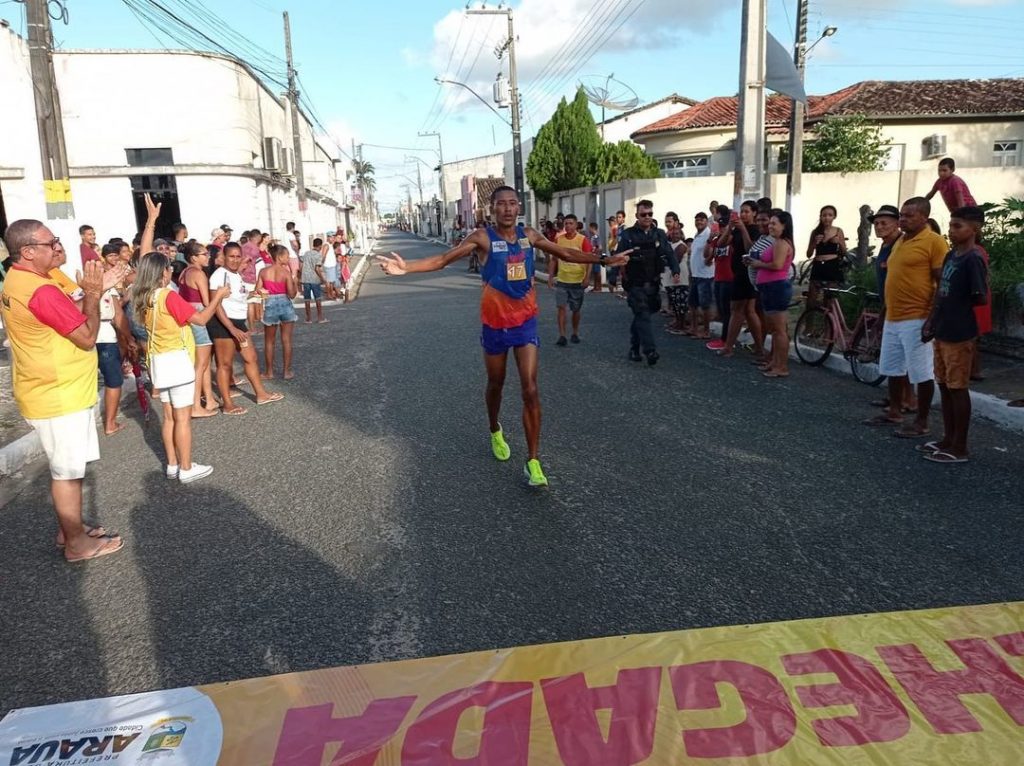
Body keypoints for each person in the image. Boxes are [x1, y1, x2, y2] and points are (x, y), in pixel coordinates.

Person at [376, 185, 627, 487]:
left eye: (513, 203)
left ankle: (533, 461)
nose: (508, 209)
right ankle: (495, 428)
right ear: (492, 208)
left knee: (530, 388)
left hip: (525, 323)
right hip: (495, 325)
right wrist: (407, 268)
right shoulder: (482, 238)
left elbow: (564, 252)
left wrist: (603, 260)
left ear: (518, 207)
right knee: (496, 383)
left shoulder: (529, 235)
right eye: (502, 204)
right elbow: (444, 259)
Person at [1, 219, 126, 562]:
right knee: (67, 474)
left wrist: (96, 288)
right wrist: (96, 293)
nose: (58, 246)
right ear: (28, 252)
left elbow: (69, 309)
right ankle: (75, 544)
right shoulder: (38, 289)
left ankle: (70, 530)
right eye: (50, 242)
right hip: (58, 394)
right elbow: (86, 337)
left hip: (53, 388)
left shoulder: (23, 277)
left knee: (70, 468)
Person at [133, 253, 231, 482]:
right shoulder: (167, 295)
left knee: (169, 417)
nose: (170, 272)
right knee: (183, 418)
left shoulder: (144, 298)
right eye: (168, 269)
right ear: (162, 272)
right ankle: (186, 468)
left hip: (158, 360)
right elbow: (200, 319)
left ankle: (172, 464)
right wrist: (218, 297)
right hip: (176, 359)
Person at [917, 206, 988, 464]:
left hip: (960, 332)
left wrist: (957, 307)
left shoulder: (973, 259)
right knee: (945, 386)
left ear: (975, 228)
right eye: (950, 225)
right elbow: (941, 291)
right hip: (943, 329)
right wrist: (932, 320)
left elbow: (980, 296)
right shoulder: (951, 255)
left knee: (958, 388)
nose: (951, 230)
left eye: (958, 226)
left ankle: (960, 446)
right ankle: (947, 438)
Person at [876, 197, 949, 438]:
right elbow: (893, 280)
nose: (903, 219)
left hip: (917, 316)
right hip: (893, 316)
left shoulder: (934, 242)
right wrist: (884, 314)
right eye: (902, 215)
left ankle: (921, 421)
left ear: (924, 217)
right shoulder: (900, 241)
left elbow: (941, 283)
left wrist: (932, 319)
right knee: (893, 367)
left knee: (921, 372)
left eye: (909, 215)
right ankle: (894, 411)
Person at [208, 243, 285, 414]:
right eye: (231, 256)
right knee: (225, 364)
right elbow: (216, 305)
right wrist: (231, 328)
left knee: (251, 358)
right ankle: (227, 404)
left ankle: (261, 394)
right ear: (224, 257)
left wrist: (254, 294)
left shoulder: (236, 274)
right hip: (223, 323)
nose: (235, 260)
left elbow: (238, 296)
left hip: (238, 322)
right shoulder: (219, 275)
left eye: (238, 256)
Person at [615, 199, 681, 366]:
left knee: (643, 314)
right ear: (637, 215)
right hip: (635, 284)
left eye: (650, 214)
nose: (647, 217)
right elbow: (618, 256)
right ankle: (650, 351)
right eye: (643, 214)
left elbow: (669, 253)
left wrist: (676, 270)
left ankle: (634, 348)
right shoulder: (628, 235)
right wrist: (612, 277)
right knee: (642, 313)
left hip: (653, 282)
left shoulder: (658, 234)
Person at [865, 205, 916, 418]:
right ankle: (896, 397)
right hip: (888, 304)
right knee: (894, 357)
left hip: (901, 308)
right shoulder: (885, 245)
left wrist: (885, 311)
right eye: (876, 223)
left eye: (884, 222)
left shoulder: (900, 244)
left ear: (897, 224)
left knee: (903, 357)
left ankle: (909, 399)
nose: (879, 226)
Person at [746, 210, 794, 378]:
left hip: (776, 288)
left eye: (774, 223)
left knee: (779, 330)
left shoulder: (782, 243)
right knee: (774, 330)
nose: (770, 226)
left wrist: (758, 264)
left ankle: (782, 366)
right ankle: (775, 362)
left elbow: (777, 265)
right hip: (769, 287)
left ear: (784, 226)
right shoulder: (777, 242)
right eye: (770, 223)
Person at [178, 241, 222, 418]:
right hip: (198, 316)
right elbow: (206, 301)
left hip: (188, 315)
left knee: (203, 363)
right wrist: (220, 295)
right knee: (201, 364)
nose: (208, 257)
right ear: (194, 257)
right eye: (204, 254)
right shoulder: (198, 273)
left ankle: (209, 399)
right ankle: (195, 405)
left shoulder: (185, 272)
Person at [718, 201, 765, 360]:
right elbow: (721, 243)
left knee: (736, 310)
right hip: (738, 272)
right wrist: (730, 228)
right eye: (741, 212)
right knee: (749, 311)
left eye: (746, 212)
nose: (743, 214)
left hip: (746, 273)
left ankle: (728, 346)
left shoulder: (755, 230)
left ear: (754, 213)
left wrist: (744, 230)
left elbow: (750, 249)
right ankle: (759, 348)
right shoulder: (736, 229)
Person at [96, 243, 134, 435]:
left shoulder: (84, 289)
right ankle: (110, 423)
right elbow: (118, 316)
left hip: (93, 336)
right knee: (113, 379)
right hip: (105, 337)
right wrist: (129, 338)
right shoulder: (107, 289)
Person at [549, 213, 592, 346]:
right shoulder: (559, 240)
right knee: (561, 307)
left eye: (570, 223)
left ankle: (575, 332)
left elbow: (589, 259)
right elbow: (554, 259)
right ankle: (562, 335)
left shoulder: (583, 240)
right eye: (566, 224)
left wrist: (587, 278)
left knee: (575, 309)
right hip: (562, 280)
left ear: (576, 225)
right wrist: (550, 277)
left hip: (577, 280)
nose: (568, 226)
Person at [257, 244, 298, 379]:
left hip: (270, 304)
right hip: (285, 304)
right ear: (279, 257)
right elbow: (291, 294)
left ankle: (269, 372)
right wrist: (295, 282)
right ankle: (286, 371)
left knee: (269, 341)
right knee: (286, 340)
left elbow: (258, 291)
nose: (288, 258)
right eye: (286, 256)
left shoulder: (263, 272)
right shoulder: (286, 273)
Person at [805, 205, 848, 306]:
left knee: (830, 299)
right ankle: (811, 315)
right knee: (812, 298)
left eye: (830, 215)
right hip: (818, 266)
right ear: (820, 217)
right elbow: (808, 254)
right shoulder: (815, 232)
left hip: (832, 266)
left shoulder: (838, 231)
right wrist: (814, 243)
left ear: (834, 217)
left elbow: (844, 252)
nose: (827, 218)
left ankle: (829, 316)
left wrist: (839, 242)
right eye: (824, 215)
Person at [706, 205, 733, 351]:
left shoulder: (732, 240)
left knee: (727, 311)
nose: (722, 229)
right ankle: (724, 337)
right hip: (718, 278)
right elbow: (707, 257)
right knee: (722, 310)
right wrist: (710, 240)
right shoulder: (717, 241)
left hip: (729, 279)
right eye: (720, 227)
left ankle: (726, 339)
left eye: (724, 227)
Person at [687, 212, 714, 339]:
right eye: (697, 220)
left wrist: (709, 259)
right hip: (695, 275)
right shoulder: (697, 235)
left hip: (705, 276)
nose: (699, 222)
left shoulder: (709, 234)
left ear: (706, 222)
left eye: (701, 220)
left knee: (705, 305)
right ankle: (694, 328)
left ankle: (706, 331)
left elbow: (712, 250)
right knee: (692, 303)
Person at [300, 237, 327, 323]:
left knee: (307, 300)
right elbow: (317, 268)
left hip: (305, 278)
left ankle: (308, 318)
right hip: (314, 279)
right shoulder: (318, 255)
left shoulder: (307, 253)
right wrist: (322, 278)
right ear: (320, 246)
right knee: (318, 298)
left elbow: (301, 263)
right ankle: (320, 317)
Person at [587, 221, 603, 293]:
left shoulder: (596, 236)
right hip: (593, 256)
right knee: (594, 272)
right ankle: (595, 286)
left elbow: (600, 247)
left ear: (593, 228)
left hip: (596, 256)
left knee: (597, 272)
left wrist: (595, 251)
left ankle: (599, 287)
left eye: (590, 228)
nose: (589, 229)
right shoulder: (592, 236)